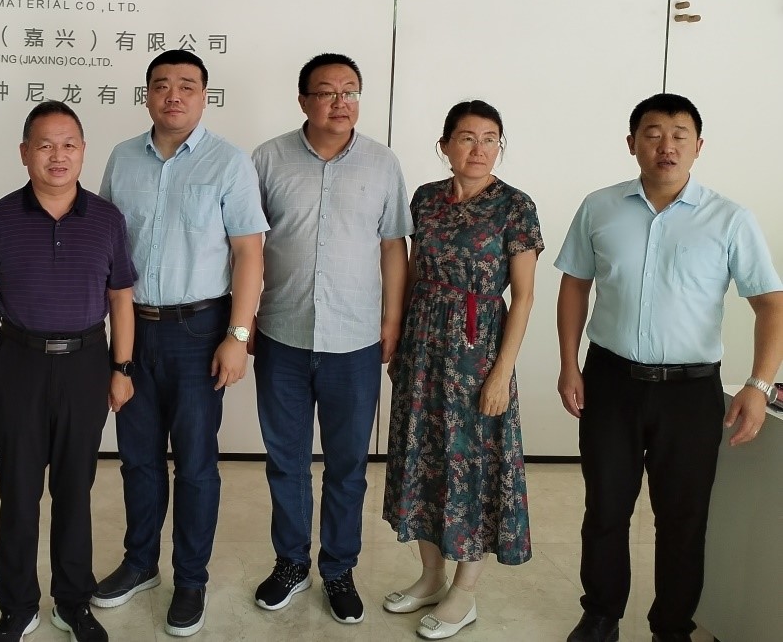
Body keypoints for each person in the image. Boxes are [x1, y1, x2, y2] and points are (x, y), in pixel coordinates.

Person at [556, 93, 783, 642]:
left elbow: (771, 304)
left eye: (680, 135)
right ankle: (601, 614)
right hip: (610, 381)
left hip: (690, 392)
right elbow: (575, 285)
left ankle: (672, 627)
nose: (667, 145)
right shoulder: (599, 207)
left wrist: (758, 384)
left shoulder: (730, 218)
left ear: (698, 146)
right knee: (605, 508)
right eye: (653, 133)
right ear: (632, 142)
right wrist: (568, 364)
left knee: (682, 518)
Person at [91, 49, 266, 637]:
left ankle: (191, 578)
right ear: (147, 94)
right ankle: (140, 563)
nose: (174, 95)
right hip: (133, 327)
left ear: (204, 96)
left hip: (200, 330)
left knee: (194, 464)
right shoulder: (122, 158)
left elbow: (248, 252)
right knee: (138, 458)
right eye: (162, 84)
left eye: (187, 85)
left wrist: (238, 335)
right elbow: (106, 247)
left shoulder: (229, 162)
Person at [250, 53, 412, 626]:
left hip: (356, 339)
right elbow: (245, 243)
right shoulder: (268, 158)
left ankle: (339, 569)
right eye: (326, 92)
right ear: (303, 101)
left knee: (347, 466)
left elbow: (393, 244)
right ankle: (291, 563)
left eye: (350, 91)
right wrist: (243, 318)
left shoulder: (382, 162)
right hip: (282, 333)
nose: (340, 102)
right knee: (286, 460)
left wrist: (392, 320)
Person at [0, 101, 137, 642]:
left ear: (83, 152)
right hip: (18, 364)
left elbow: (121, 299)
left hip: (87, 363)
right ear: (24, 153)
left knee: (74, 491)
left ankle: (72, 601)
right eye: (44, 145)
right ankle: (17, 605)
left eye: (68, 145)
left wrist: (122, 368)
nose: (57, 156)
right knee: (18, 494)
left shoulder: (107, 219)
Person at [381, 100, 541, 640]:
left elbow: (523, 297)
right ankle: (430, 577)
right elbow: (408, 271)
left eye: (490, 138)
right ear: (445, 145)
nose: (479, 149)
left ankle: (464, 592)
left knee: (473, 466)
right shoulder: (426, 199)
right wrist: (401, 339)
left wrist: (501, 372)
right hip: (423, 347)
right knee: (422, 458)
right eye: (467, 137)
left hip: (479, 354)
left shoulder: (515, 206)